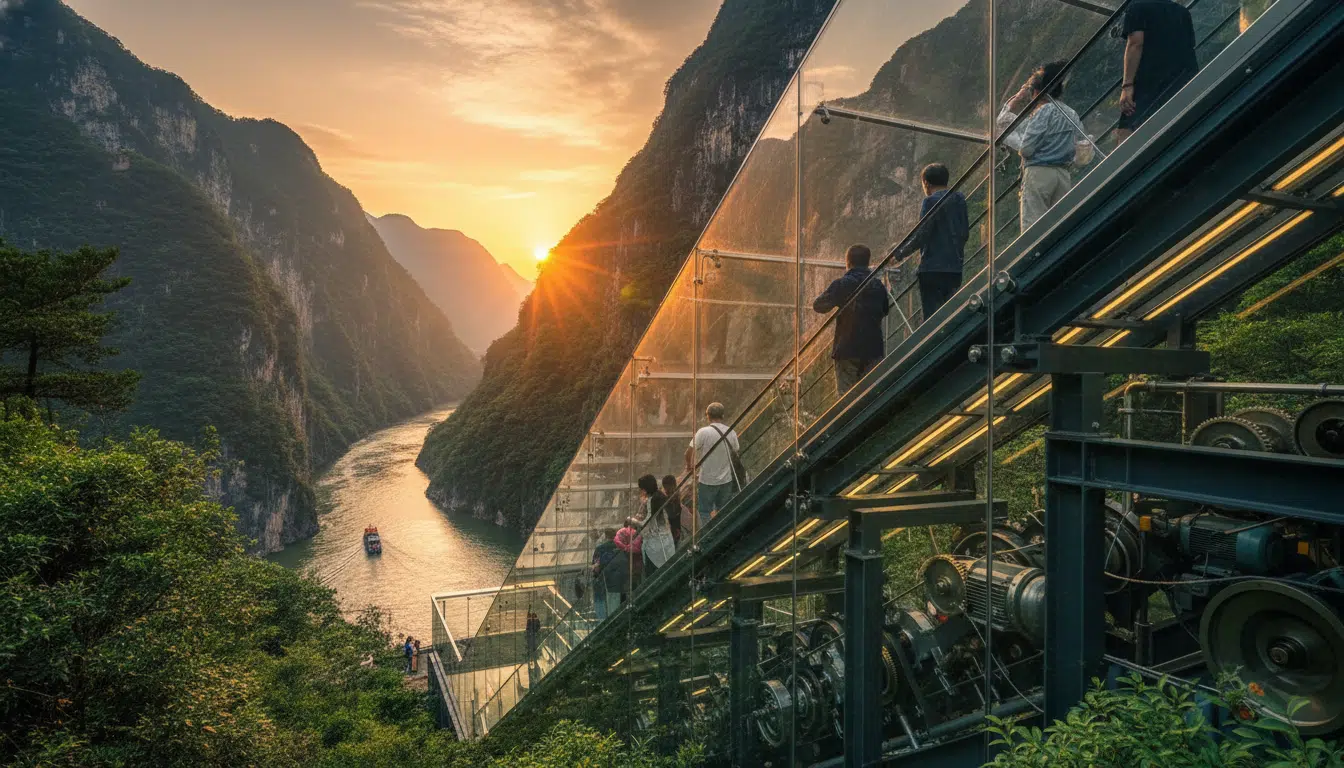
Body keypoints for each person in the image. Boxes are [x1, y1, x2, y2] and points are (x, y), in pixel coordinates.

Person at [998, 61, 1088, 230]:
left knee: (1033, 227)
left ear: (1036, 92)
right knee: (1061, 226)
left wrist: (1018, 97)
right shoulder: (1070, 113)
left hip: (1039, 174)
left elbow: (1026, 149)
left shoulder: (1043, 111)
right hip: (1063, 175)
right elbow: (1080, 144)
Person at [812, 244, 892, 395]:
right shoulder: (878, 285)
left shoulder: (842, 284)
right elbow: (885, 310)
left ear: (848, 262)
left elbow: (818, 305)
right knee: (872, 396)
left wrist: (839, 300)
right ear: (868, 262)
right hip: (873, 349)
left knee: (846, 399)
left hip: (847, 348)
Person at [1117, 0, 1196, 142]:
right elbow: (1189, 48)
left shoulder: (1137, 7)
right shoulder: (1182, 12)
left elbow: (1135, 44)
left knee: (1127, 132)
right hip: (1180, 81)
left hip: (1148, 82)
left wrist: (1127, 85)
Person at [898, 163, 969, 317]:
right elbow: (964, 232)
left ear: (926, 183)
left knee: (932, 317)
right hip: (955, 267)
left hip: (932, 269)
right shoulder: (959, 199)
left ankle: (935, 341)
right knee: (950, 314)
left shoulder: (930, 201)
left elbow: (922, 234)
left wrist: (899, 254)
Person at [686, 402, 742, 531]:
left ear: (708, 416)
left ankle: (707, 534)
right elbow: (736, 452)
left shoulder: (703, 432)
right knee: (723, 510)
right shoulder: (731, 432)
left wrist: (690, 467)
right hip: (726, 481)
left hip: (707, 481)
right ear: (722, 416)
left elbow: (688, 452)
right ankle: (722, 532)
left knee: (705, 511)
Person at [635, 474, 675, 577]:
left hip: (656, 547)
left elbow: (647, 525)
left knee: (653, 575)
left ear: (645, 489)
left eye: (642, 489)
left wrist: (632, 521)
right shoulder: (661, 496)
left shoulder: (652, 501)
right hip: (667, 543)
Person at [591, 528, 624, 620]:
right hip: (618, 579)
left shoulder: (600, 548)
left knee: (603, 603)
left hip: (604, 579)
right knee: (615, 601)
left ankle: (606, 622)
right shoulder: (621, 547)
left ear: (605, 536)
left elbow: (596, 567)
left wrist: (595, 574)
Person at [615, 517, 643, 591]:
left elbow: (617, 542)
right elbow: (638, 548)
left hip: (626, 560)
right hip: (636, 560)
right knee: (637, 579)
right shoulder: (637, 532)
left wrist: (625, 548)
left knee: (628, 582)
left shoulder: (621, 532)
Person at [661, 474, 688, 544]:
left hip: (672, 528)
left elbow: (670, 515)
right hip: (677, 526)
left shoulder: (667, 500)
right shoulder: (677, 494)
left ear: (665, 486)